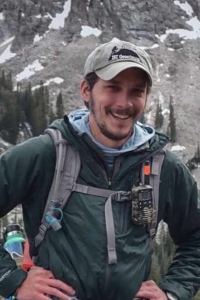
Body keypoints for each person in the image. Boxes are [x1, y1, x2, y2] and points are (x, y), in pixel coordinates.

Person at [0, 39, 200, 300]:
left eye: (136, 92)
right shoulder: (44, 154)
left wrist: (172, 293)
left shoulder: (165, 167)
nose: (123, 103)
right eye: (113, 88)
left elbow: (195, 237)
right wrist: (12, 280)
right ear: (86, 90)